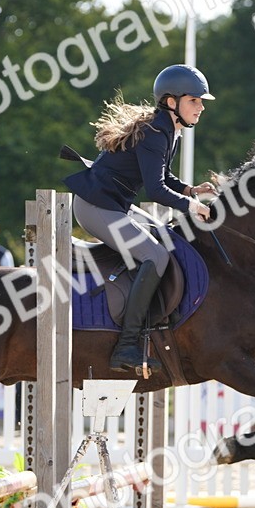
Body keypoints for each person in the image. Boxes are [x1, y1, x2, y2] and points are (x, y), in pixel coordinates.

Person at [63, 64, 215, 373]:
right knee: (156, 256)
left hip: (113, 205)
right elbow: (155, 190)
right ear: (171, 102)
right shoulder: (155, 134)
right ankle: (126, 346)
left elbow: (163, 177)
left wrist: (189, 189)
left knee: (164, 237)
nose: (200, 107)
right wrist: (190, 205)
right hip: (94, 207)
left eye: (201, 101)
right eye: (194, 100)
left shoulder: (169, 130)